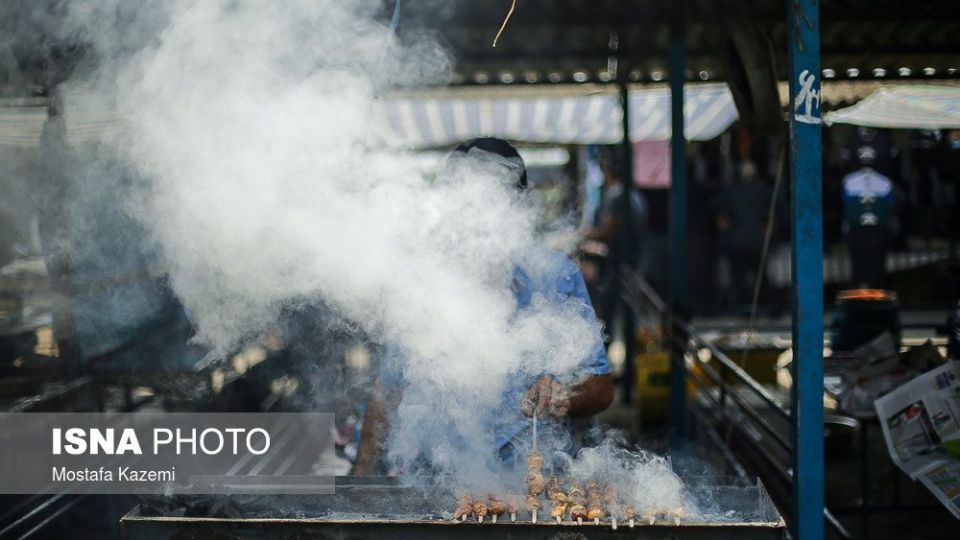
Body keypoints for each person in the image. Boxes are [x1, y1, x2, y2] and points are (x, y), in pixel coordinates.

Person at [353, 138, 613, 475]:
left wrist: (564, 395)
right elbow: (388, 391)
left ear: (521, 207)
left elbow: (601, 390)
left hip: (535, 481)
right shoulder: (423, 284)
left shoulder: (555, 276)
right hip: (440, 484)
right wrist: (358, 479)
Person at [842, 146, 896, 289]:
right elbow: (848, 203)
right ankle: (863, 286)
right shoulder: (851, 180)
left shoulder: (883, 181)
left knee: (874, 258)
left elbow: (888, 205)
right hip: (860, 226)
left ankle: (874, 287)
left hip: (874, 227)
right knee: (861, 259)